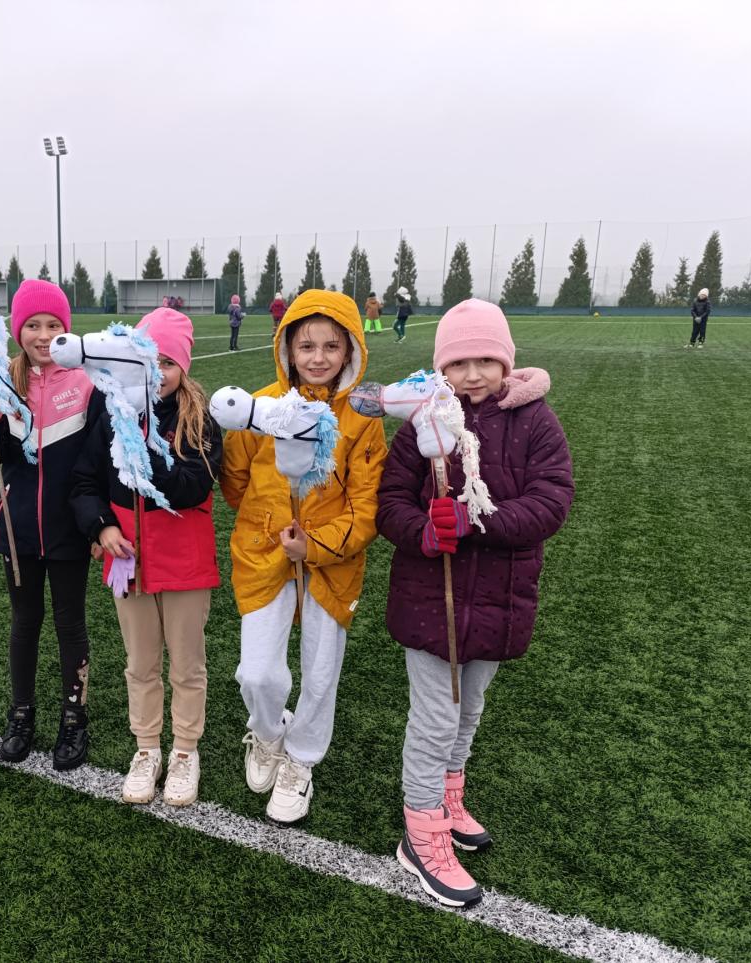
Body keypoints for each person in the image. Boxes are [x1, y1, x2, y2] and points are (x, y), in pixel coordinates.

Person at [376, 298, 573, 908]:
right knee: (435, 719)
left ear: (506, 362)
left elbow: (552, 501)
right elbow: (390, 502)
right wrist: (424, 531)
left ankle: (449, 796)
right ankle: (421, 833)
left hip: (498, 597)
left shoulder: (536, 421)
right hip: (430, 599)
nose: (473, 374)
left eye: (486, 360)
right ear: (442, 369)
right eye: (458, 363)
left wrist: (475, 518)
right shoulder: (424, 420)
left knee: (468, 711)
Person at [223, 290, 387, 823]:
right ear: (287, 349)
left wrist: (314, 545)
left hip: (333, 564)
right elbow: (236, 482)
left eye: (331, 346)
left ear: (351, 350)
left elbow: (367, 506)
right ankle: (268, 733)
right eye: (306, 346)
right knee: (256, 673)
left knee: (319, 675)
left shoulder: (361, 418)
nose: (318, 358)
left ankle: (301, 759)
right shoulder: (262, 406)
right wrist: (271, 527)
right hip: (264, 553)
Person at [72, 307, 223, 807]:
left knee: (187, 666)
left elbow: (192, 486)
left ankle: (185, 751)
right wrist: (102, 525)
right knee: (140, 664)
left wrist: (145, 449)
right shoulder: (110, 413)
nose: (157, 373)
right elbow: (84, 481)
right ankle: (147, 748)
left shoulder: (200, 419)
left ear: (184, 367)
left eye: (168, 363)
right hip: (129, 562)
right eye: (146, 362)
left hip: (185, 565)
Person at [0, 279, 104, 771]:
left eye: (53, 325)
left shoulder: (87, 382)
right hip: (19, 528)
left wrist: (97, 525)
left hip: (70, 529)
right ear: (17, 331)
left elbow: (100, 461)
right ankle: (21, 715)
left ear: (66, 329)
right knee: (24, 622)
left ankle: (74, 717)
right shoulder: (2, 381)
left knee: (71, 623)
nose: (43, 335)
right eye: (32, 325)